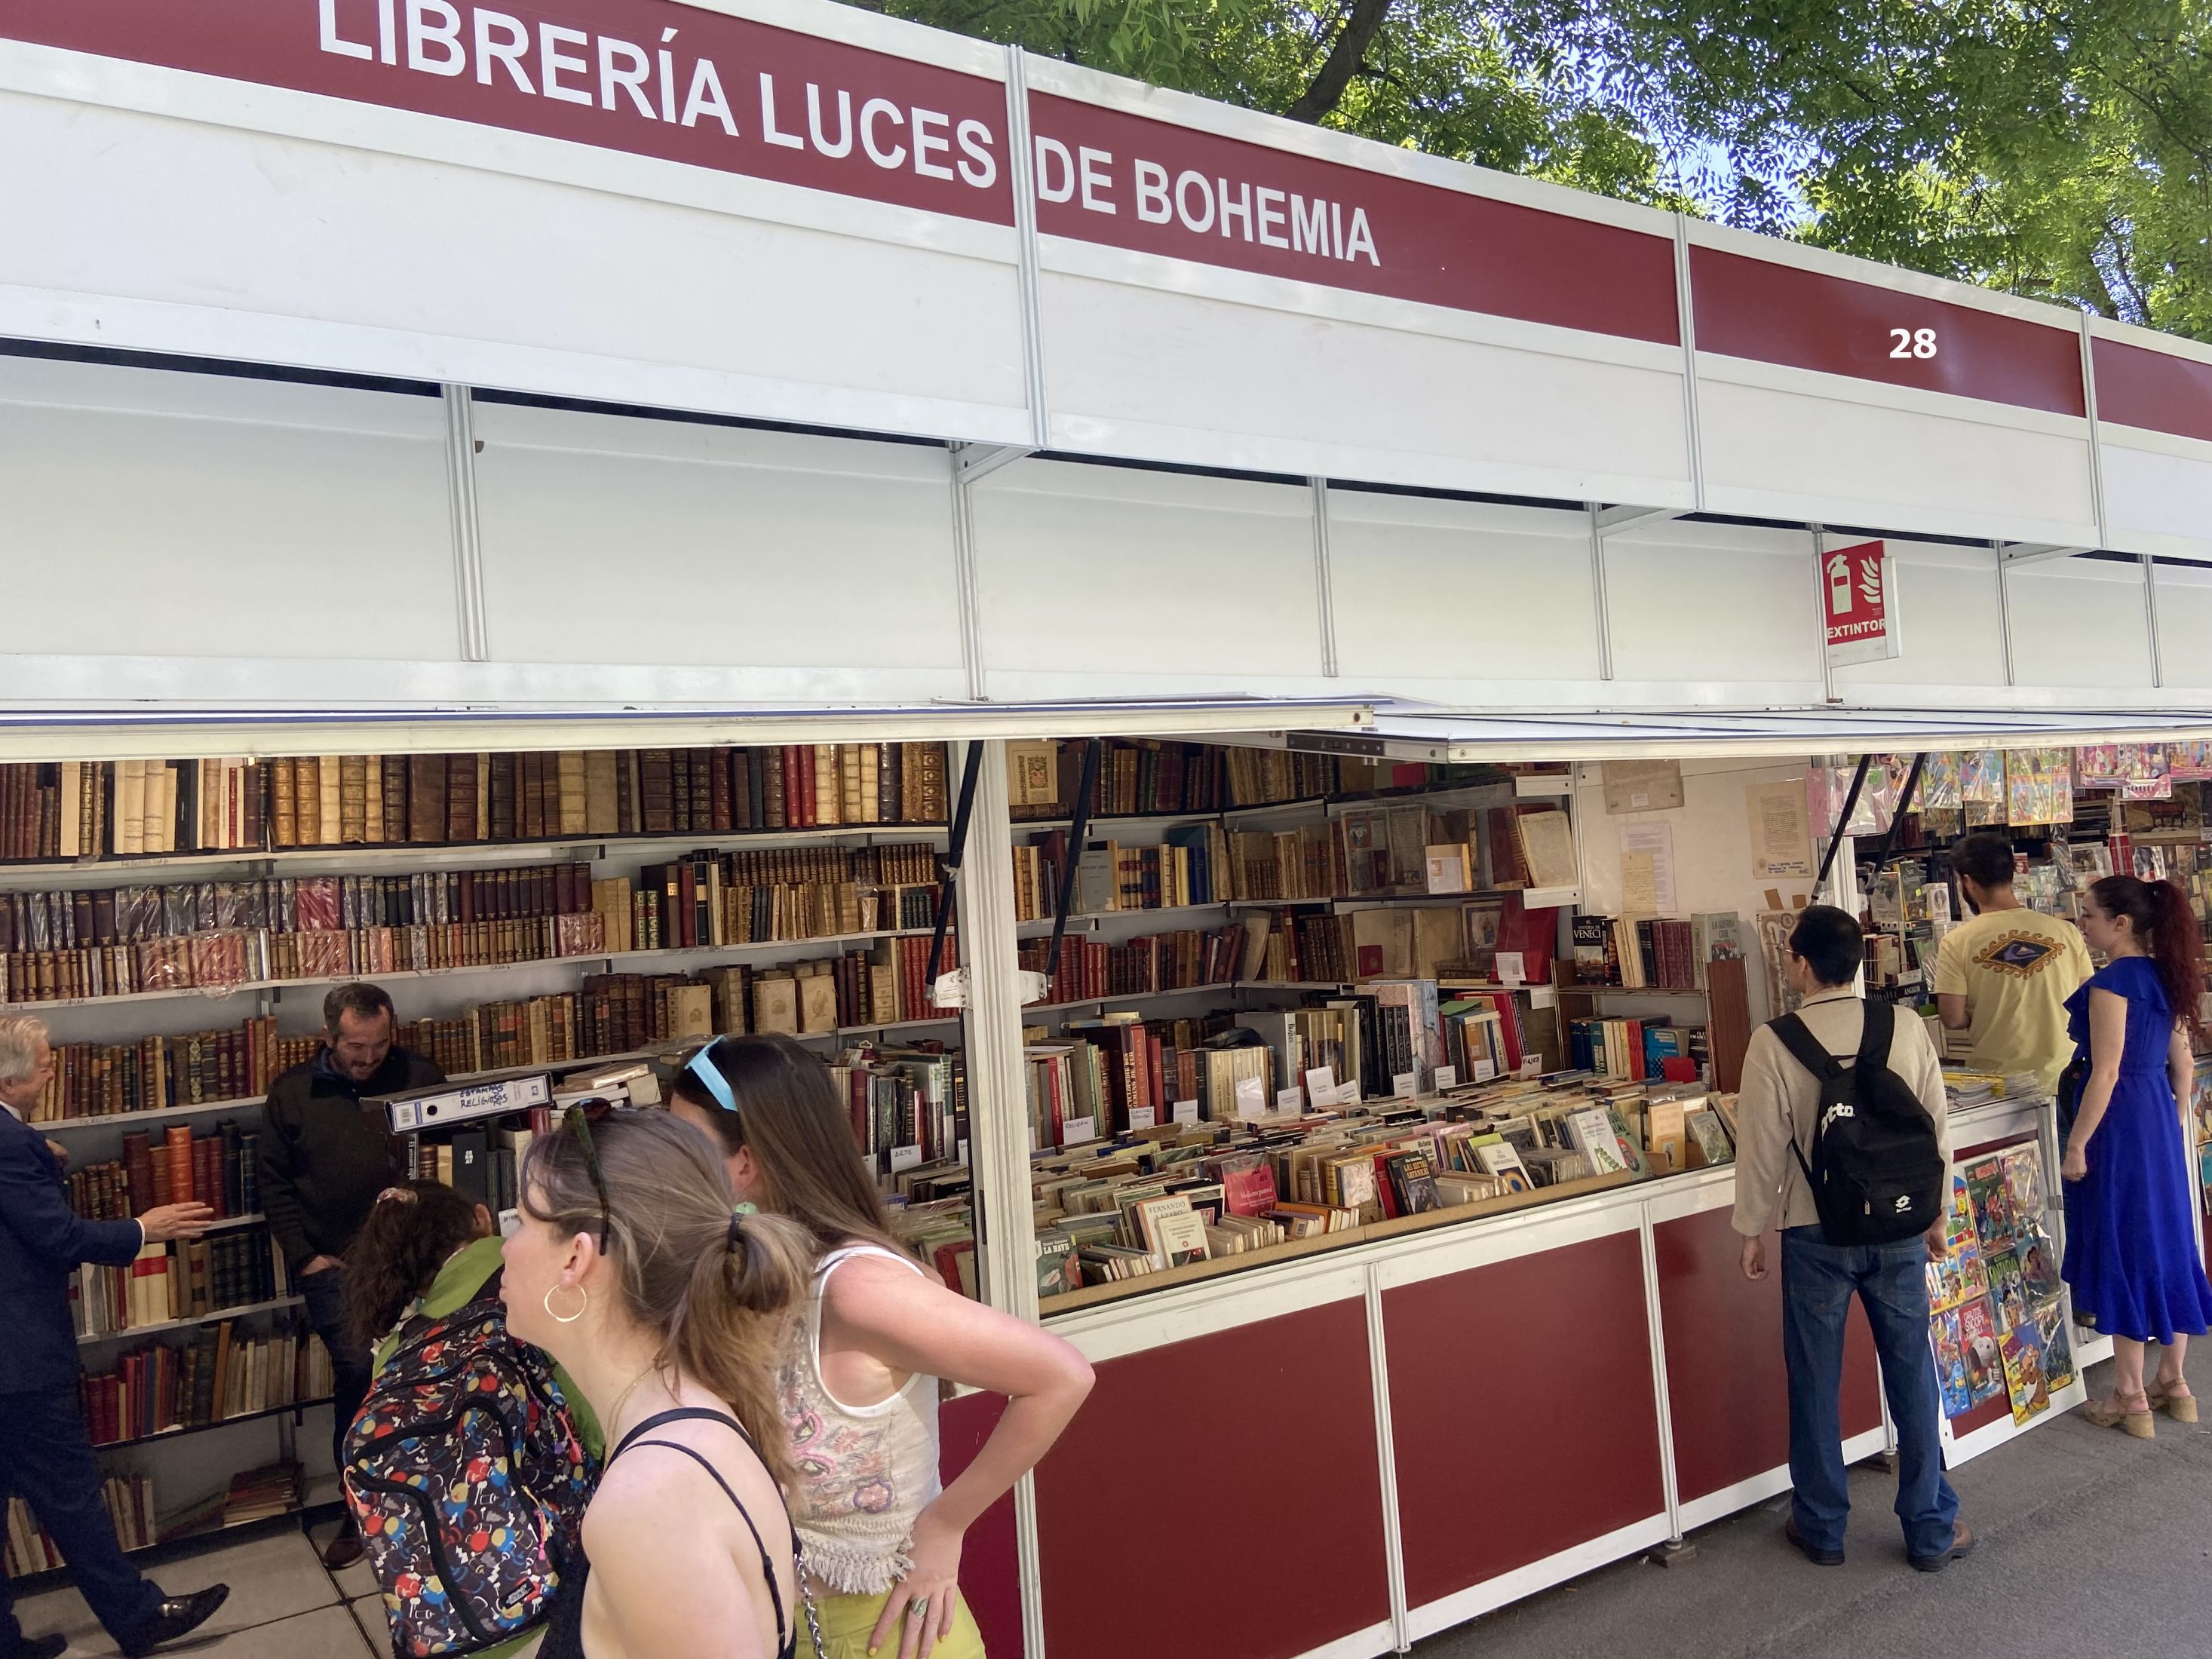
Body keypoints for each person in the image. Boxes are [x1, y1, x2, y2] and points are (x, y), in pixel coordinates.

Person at [669, 1035, 1095, 1659]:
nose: (669, 1162)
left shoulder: (856, 1288)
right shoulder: (752, 1262)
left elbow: (1060, 1376)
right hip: (789, 1623)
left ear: (746, 1162)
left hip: (882, 1631)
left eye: (685, 1144)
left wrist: (946, 1525)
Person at [502, 1105, 812, 1659]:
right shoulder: (689, 1419)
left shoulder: (650, 1501)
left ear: (576, 1258)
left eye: (524, 1222)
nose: (504, 1246)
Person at [1732, 907, 1975, 1573]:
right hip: (1899, 1222)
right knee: (1910, 1370)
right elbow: (1934, 1129)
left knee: (1813, 1376)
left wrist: (1752, 1229)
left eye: (1788, 956)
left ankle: (1821, 1526)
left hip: (1814, 1229)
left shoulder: (1773, 1040)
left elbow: (1758, 1149)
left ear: (1802, 965)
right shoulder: (1903, 1024)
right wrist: (1936, 1215)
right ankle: (1929, 1527)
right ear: (1859, 963)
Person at [0, 1015, 231, 1659]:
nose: (52, 1074)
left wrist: (38, 1155)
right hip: (18, 1359)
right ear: (13, 1078)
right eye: (45, 1065)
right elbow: (59, 1239)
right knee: (71, 1495)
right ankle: (138, 1618)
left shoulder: (15, 1139)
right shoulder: (8, 1142)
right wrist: (142, 1229)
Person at [342, 1181, 603, 1658]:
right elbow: (601, 1429)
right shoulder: (537, 1298)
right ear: (484, 1220)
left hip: (456, 1631)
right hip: (569, 1599)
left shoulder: (395, 1358)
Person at [259, 982, 444, 1569]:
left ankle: (429, 1499)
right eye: (356, 1047)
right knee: (360, 1381)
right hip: (334, 1267)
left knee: (430, 1377)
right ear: (328, 1037)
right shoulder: (293, 1093)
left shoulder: (418, 1074)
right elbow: (273, 1183)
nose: (368, 1059)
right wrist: (304, 1255)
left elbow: (446, 1156)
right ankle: (358, 1509)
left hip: (416, 1262)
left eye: (379, 1044)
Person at [2060, 875, 2212, 1436]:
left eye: (2089, 915)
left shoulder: (2113, 983)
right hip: (2154, 1117)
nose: (2082, 923)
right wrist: (2172, 1119)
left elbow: (2103, 1072)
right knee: (2169, 1240)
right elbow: (2186, 1066)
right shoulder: (2164, 976)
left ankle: (2129, 1395)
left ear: (2119, 924)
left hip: (2118, 1121)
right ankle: (2174, 1381)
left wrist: (2076, 1143)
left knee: (2122, 1243)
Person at [1934, 834, 2093, 1095]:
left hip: (1999, 1085)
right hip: (2065, 1078)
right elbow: (2086, 999)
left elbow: (1952, 1018)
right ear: (2011, 873)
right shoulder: (2067, 932)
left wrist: (1984, 1010)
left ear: (1967, 882)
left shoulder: (1956, 942)